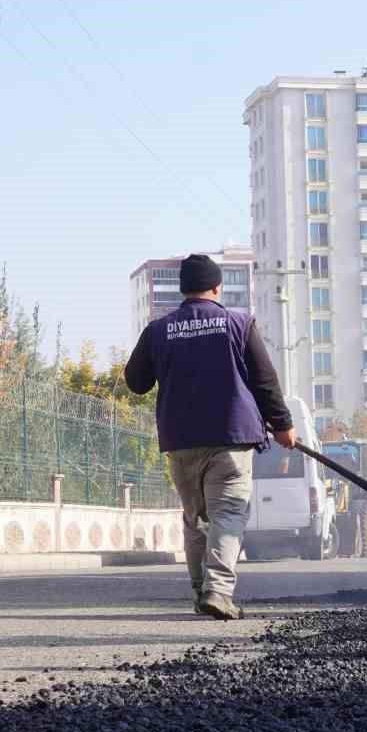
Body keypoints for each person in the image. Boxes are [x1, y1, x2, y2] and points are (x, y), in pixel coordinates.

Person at [124, 254, 296, 620]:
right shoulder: (238, 323)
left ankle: (202, 589)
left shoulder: (159, 330)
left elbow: (136, 382)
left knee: (196, 517)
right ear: (217, 288)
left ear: (182, 289)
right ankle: (218, 590)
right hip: (231, 437)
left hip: (181, 439)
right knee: (228, 513)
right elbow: (265, 380)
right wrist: (282, 424)